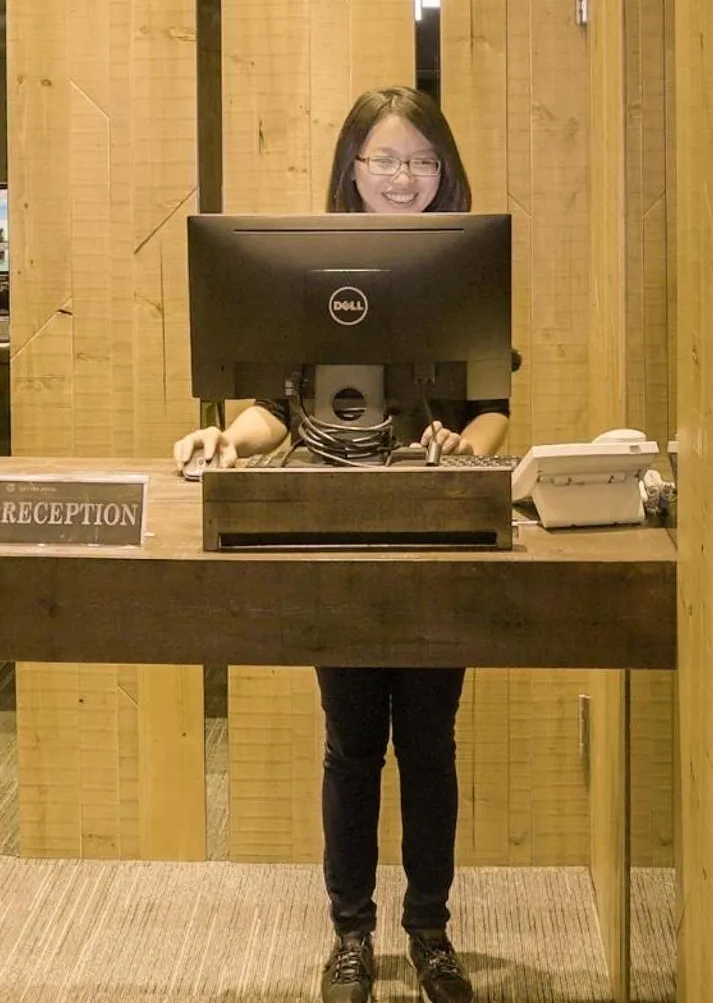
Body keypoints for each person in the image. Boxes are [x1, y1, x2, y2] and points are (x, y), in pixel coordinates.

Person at [172, 86, 500, 1003]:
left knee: (430, 744)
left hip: (438, 535)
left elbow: (492, 409)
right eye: (386, 161)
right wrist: (224, 440)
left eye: (423, 162)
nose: (406, 179)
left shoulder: (465, 263)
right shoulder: (301, 270)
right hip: (333, 527)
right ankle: (349, 933)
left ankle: (430, 932)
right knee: (352, 744)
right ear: (350, 173)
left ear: (446, 173)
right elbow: (273, 411)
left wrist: (459, 451)